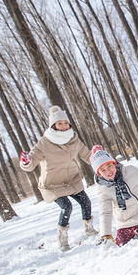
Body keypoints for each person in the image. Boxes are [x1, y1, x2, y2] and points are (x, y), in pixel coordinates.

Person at [19, 106, 98, 252]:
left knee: (85, 202)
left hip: (71, 179)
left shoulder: (73, 138)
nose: (63, 126)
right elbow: (31, 162)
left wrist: (99, 159)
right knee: (66, 206)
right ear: (53, 125)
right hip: (52, 184)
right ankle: (62, 238)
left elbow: (87, 155)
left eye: (65, 123)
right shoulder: (44, 142)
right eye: (59, 123)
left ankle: (89, 228)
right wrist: (26, 162)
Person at [90, 146, 138, 247]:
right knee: (120, 243)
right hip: (123, 222)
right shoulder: (103, 188)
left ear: (114, 163)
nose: (108, 171)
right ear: (99, 174)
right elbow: (105, 211)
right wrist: (105, 234)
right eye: (103, 170)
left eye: (109, 166)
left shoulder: (130, 171)